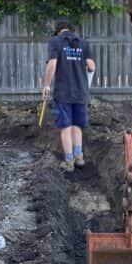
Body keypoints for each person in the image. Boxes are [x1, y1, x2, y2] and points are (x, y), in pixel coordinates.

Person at [43, 19, 96, 172]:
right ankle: (79, 158)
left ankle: (69, 161)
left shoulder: (55, 42)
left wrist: (46, 85)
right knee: (77, 124)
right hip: (81, 92)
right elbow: (91, 66)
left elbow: (52, 64)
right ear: (71, 30)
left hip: (63, 92)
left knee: (65, 126)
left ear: (58, 31)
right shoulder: (83, 43)